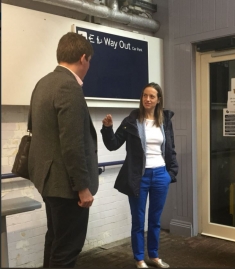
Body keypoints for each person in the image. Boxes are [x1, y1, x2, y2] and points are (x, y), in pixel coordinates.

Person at [28, 32, 99, 267]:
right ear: (83, 58)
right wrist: (83, 188)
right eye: (89, 61)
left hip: (48, 181)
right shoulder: (69, 87)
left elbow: (36, 130)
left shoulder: (43, 83)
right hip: (67, 188)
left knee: (55, 240)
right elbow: (72, 144)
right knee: (67, 250)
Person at [101, 82, 178, 269]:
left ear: (158, 99)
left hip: (160, 174)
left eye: (152, 96)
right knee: (138, 220)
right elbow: (113, 144)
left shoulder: (165, 121)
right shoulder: (131, 121)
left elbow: (170, 149)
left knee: (155, 220)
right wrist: (107, 129)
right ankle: (139, 259)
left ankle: (154, 255)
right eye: (145, 95)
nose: (147, 99)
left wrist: (171, 173)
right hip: (139, 177)